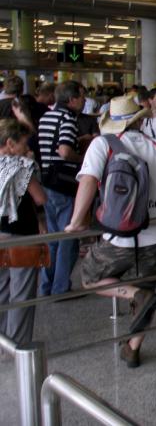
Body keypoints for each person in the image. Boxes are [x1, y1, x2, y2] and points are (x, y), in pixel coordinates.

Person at [65, 95, 156, 367]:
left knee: (90, 277)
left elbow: (89, 180)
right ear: (139, 122)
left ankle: (132, 295)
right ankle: (133, 347)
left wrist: (77, 220)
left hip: (119, 236)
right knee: (146, 288)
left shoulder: (103, 144)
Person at [0, 120, 46, 345]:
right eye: (24, 144)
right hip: (22, 234)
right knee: (22, 293)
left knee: (1, 290)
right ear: (10, 143)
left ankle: (2, 342)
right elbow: (40, 198)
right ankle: (17, 345)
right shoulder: (20, 166)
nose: (27, 148)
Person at [37, 81, 85, 296]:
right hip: (64, 183)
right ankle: (61, 287)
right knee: (68, 236)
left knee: (54, 237)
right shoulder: (68, 119)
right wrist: (82, 158)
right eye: (81, 96)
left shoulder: (46, 117)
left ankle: (47, 285)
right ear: (72, 99)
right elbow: (65, 151)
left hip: (47, 180)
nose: (84, 100)